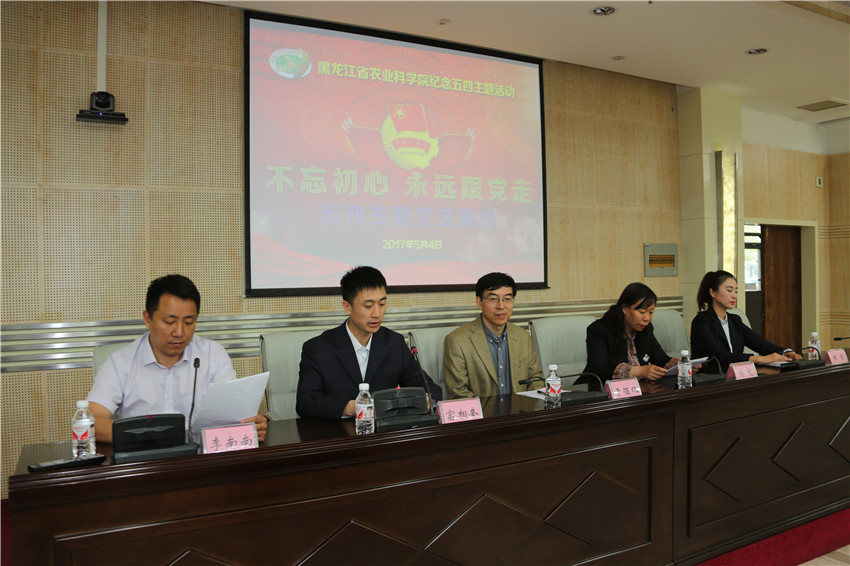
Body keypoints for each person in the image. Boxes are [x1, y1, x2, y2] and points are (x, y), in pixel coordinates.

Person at [87, 274, 268, 443]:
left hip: (200, 458)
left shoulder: (213, 354)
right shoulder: (120, 363)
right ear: (147, 319)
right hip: (144, 459)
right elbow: (91, 421)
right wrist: (147, 438)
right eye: (169, 322)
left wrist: (251, 426)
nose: (180, 332)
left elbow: (233, 415)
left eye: (189, 322)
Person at [296, 266, 442, 420]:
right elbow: (306, 402)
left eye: (382, 304)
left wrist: (427, 399)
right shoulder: (318, 349)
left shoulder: (394, 344)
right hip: (337, 432)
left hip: (385, 431)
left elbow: (430, 389)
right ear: (347, 307)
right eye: (368, 306)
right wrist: (350, 408)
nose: (377, 314)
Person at [442, 272, 542, 399]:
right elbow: (458, 393)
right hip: (482, 412)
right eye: (493, 299)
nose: (501, 306)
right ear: (479, 302)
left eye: (507, 299)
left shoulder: (523, 336)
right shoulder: (457, 341)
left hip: (521, 409)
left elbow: (535, 381)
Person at [690, 270, 801, 369]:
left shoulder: (735, 320)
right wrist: (760, 359)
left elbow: (760, 343)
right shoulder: (701, 322)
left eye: (736, 291)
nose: (734, 296)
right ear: (713, 292)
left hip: (736, 376)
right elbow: (720, 356)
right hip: (710, 379)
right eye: (729, 290)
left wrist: (786, 352)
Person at [584, 282, 678, 382]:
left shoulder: (646, 329)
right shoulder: (599, 330)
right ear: (625, 308)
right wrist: (639, 371)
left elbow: (660, 359)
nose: (647, 318)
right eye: (642, 312)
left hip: (638, 388)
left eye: (651, 312)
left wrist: (678, 365)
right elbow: (598, 370)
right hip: (598, 388)